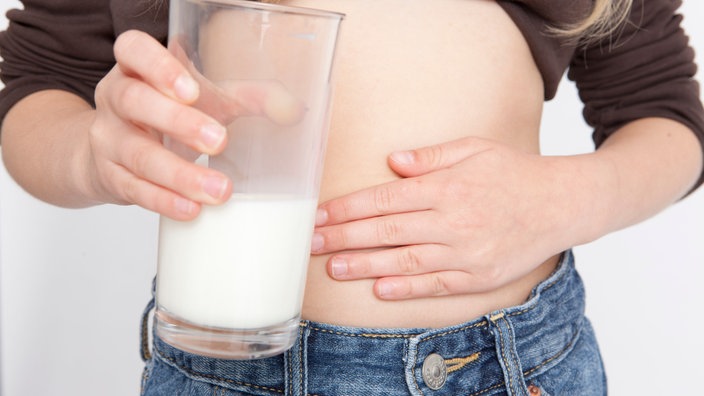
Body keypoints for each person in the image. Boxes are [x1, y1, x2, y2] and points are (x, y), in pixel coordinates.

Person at [0, 0, 702, 394]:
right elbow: (38, 84)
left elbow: (667, 115)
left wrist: (572, 197)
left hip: (510, 365)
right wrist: (91, 154)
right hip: (225, 362)